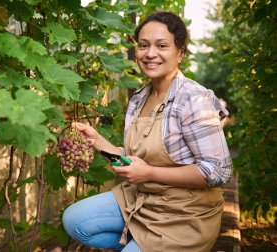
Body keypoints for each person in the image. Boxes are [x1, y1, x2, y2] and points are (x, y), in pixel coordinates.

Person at [62, 11, 232, 252]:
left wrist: (150, 173)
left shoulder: (194, 99)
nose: (150, 53)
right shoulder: (140, 98)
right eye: (144, 45)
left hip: (186, 215)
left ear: (180, 52)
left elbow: (218, 171)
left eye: (162, 45)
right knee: (75, 220)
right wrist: (98, 141)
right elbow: (136, 159)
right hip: (143, 200)